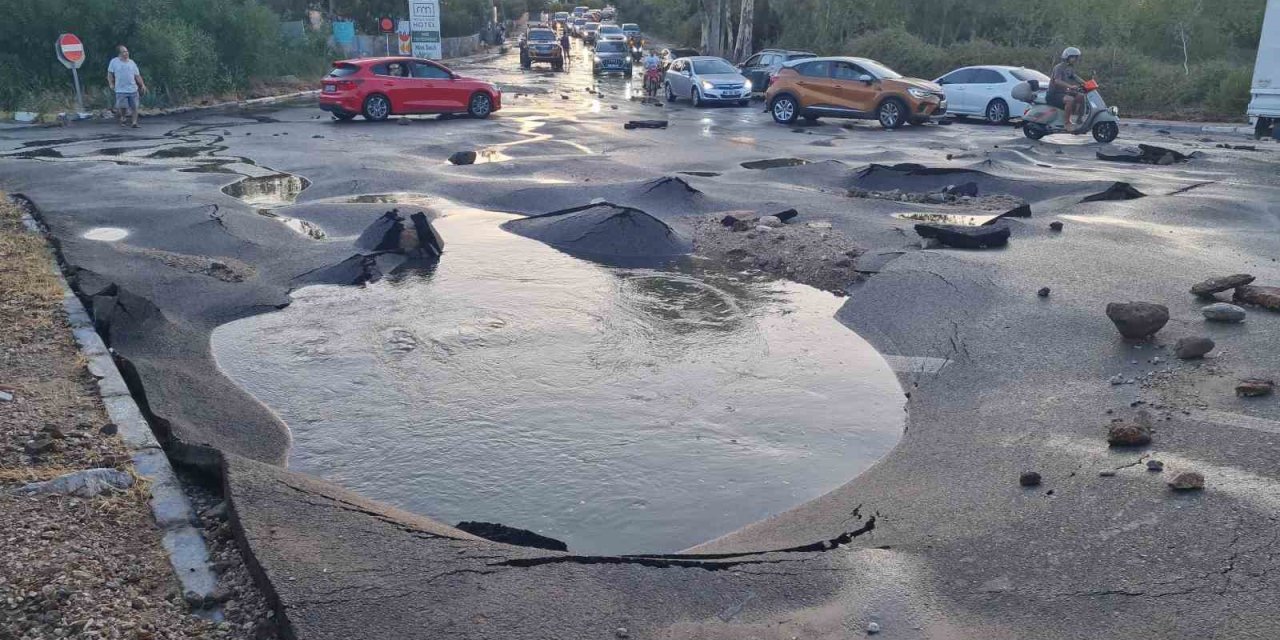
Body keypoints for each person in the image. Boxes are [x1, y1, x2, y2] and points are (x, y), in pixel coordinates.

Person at [107, 45, 146, 129]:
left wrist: (142, 85)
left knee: (135, 107)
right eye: (124, 52)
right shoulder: (114, 62)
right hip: (120, 89)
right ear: (119, 54)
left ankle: (134, 123)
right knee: (123, 106)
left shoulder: (131, 63)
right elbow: (110, 74)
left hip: (132, 89)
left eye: (127, 51)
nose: (126, 53)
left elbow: (137, 75)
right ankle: (123, 117)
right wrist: (111, 83)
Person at [1048, 47, 1085, 132]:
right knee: (1070, 100)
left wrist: (1086, 84)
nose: (1075, 59)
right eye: (1073, 57)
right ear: (1067, 57)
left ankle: (1079, 119)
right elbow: (1057, 81)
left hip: (1064, 92)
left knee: (1081, 96)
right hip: (1054, 94)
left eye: (1076, 57)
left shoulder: (1070, 67)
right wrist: (1070, 86)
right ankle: (1067, 123)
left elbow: (1075, 77)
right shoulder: (1059, 67)